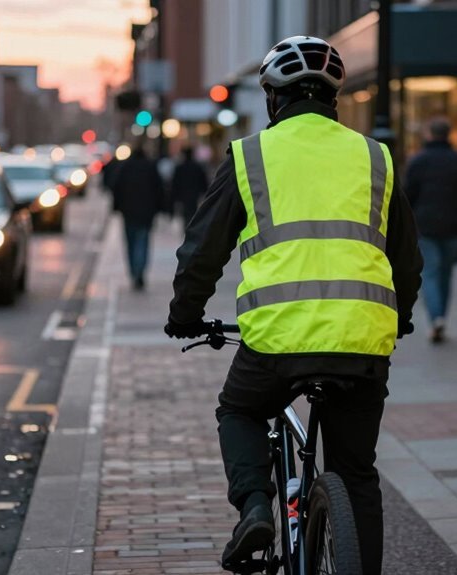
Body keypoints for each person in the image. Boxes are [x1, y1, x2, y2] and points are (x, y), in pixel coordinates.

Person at [163, 36, 422, 575]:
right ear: (333, 98)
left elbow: (202, 250)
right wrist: (402, 318)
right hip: (361, 340)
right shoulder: (376, 156)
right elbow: (407, 259)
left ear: (272, 100)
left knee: (239, 409)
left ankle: (256, 507)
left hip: (277, 341)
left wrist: (184, 313)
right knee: (356, 473)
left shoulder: (250, 155)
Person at [405, 118, 457, 343]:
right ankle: (441, 316)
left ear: (429, 134)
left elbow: (407, 195)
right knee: (445, 274)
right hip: (453, 225)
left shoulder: (418, 161)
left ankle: (436, 317)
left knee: (431, 273)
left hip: (426, 225)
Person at [110, 144, 164, 290]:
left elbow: (116, 188)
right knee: (143, 242)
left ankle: (135, 271)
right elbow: (159, 189)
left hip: (129, 212)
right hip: (146, 213)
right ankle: (140, 270)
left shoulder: (125, 167)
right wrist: (160, 208)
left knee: (131, 243)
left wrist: (116, 207)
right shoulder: (150, 167)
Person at [171, 146, 209, 227]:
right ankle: (191, 229)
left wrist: (175, 197)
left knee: (185, 215)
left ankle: (187, 229)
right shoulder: (198, 167)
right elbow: (203, 182)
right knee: (192, 213)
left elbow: (175, 184)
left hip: (183, 196)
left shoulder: (179, 168)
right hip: (194, 195)